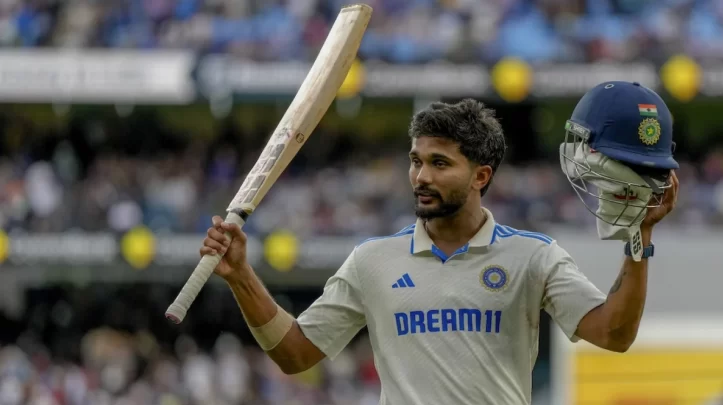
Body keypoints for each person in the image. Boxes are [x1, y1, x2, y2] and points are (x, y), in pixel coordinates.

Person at [200, 90, 679, 404]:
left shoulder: (534, 255)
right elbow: (296, 354)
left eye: (439, 163)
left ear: (480, 176)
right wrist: (242, 275)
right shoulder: (372, 261)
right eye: (415, 161)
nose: (421, 176)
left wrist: (640, 242)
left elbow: (615, 335)